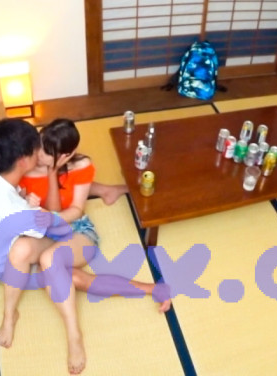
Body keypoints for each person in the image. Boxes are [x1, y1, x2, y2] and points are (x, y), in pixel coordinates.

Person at [0, 118, 87, 374]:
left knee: (34, 251)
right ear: (23, 160)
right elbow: (56, 224)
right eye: (36, 149)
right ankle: (71, 333)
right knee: (41, 253)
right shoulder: (17, 211)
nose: (40, 153)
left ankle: (10, 315)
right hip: (4, 265)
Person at [19, 118, 171, 313]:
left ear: (66, 155)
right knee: (73, 279)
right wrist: (24, 199)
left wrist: (52, 172)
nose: (39, 154)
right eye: (39, 145)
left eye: (47, 152)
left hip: (77, 230)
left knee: (50, 261)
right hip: (45, 236)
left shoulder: (79, 165)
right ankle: (153, 288)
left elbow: (69, 212)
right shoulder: (25, 167)